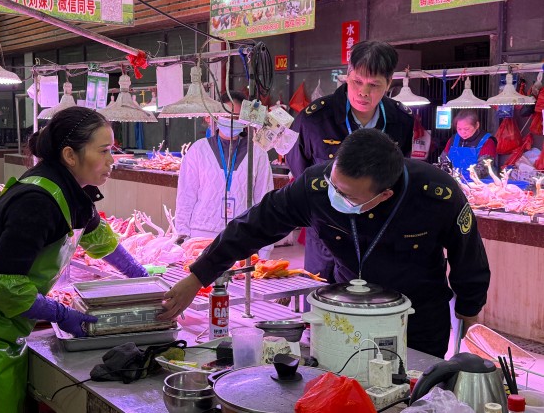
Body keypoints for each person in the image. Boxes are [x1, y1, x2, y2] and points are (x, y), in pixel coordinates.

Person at [161, 129, 490, 359]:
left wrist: (470, 320)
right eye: (334, 185)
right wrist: (198, 276)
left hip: (415, 320)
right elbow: (253, 226)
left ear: (384, 195)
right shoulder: (317, 186)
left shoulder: (436, 195)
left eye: (347, 195)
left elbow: (468, 259)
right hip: (345, 314)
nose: (336, 197)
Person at [0, 106, 147, 413]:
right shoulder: (38, 201)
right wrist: (61, 313)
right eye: (104, 151)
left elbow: (100, 240)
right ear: (70, 155)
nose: (113, 160)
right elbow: (5, 286)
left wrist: (143, 277)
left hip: (0, 321)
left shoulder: (72, 191)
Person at [286, 40, 414, 283]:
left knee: (374, 299)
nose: (363, 92)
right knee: (323, 299)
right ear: (347, 75)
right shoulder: (314, 120)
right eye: (357, 81)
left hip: (378, 233)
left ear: (389, 83)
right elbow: (300, 172)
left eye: (374, 84)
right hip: (326, 235)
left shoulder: (401, 121)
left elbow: (400, 174)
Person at [175, 92, 274, 258]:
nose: (231, 120)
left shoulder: (257, 153)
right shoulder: (198, 150)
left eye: (236, 116)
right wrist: (182, 235)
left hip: (242, 234)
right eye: (226, 115)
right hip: (201, 235)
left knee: (238, 274)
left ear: (245, 119)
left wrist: (265, 248)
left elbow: (264, 201)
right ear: (216, 116)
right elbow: (186, 196)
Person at [441, 110, 497, 180]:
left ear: (477, 125)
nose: (462, 132)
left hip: (481, 183)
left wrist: (461, 177)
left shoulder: (487, 141)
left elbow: (484, 168)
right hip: (455, 181)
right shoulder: (453, 140)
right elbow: (443, 160)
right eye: (459, 129)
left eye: (466, 129)